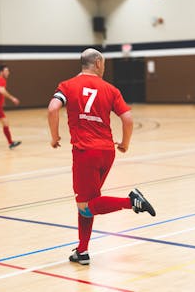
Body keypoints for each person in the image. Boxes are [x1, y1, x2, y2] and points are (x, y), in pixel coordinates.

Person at [48, 48, 156, 265]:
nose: (104, 67)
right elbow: (127, 119)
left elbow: (52, 109)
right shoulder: (110, 89)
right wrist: (125, 143)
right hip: (107, 152)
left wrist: (54, 136)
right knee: (88, 202)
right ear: (97, 63)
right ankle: (82, 251)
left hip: (85, 152)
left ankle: (131, 201)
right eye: (104, 63)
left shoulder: (67, 86)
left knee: (86, 205)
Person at [0, 64, 21, 149]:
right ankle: (10, 143)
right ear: (1, 72)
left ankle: (11, 143)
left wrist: (1, 102)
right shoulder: (1, 79)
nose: (8, 72)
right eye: (6, 71)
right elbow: (1, 91)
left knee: (5, 123)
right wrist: (12, 98)